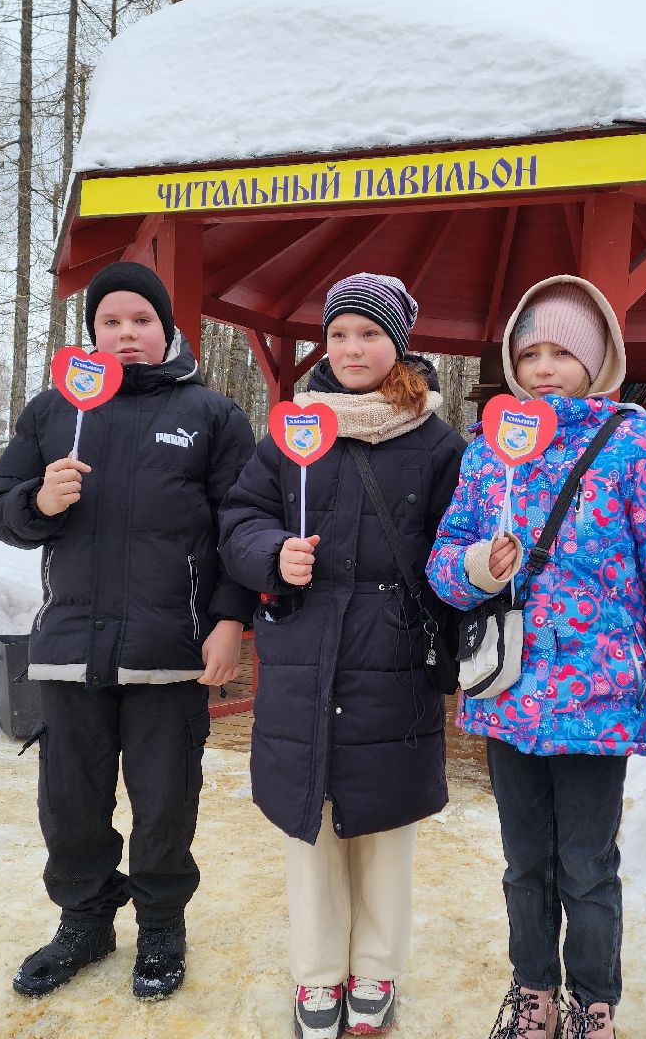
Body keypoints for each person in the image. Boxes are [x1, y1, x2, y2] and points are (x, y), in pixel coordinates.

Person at [425, 276, 646, 1039]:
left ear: (598, 359)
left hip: (598, 702)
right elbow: (444, 562)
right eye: (530, 354)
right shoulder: (490, 449)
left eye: (562, 352)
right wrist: (477, 568)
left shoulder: (638, 443)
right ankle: (534, 993)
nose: (544, 367)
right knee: (524, 865)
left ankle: (593, 1001)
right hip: (508, 693)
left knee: (587, 868)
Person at [0, 260, 256, 1001]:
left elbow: (241, 529)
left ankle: (161, 924)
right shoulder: (52, 411)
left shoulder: (213, 415)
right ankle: (85, 920)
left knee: (165, 802)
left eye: (141, 320)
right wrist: (40, 501)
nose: (126, 333)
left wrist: (230, 621)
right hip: (71, 648)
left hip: (170, 653)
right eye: (110, 321)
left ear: (166, 327)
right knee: (70, 801)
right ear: (92, 331)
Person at [219, 273, 465, 1039]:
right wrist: (273, 553)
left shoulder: (437, 441)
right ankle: (318, 975)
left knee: (386, 834)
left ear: (399, 343)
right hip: (304, 658)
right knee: (312, 830)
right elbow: (239, 516)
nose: (352, 348)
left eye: (369, 333)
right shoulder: (291, 432)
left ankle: (378, 969)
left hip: (395, 661)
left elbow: (457, 545)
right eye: (339, 335)